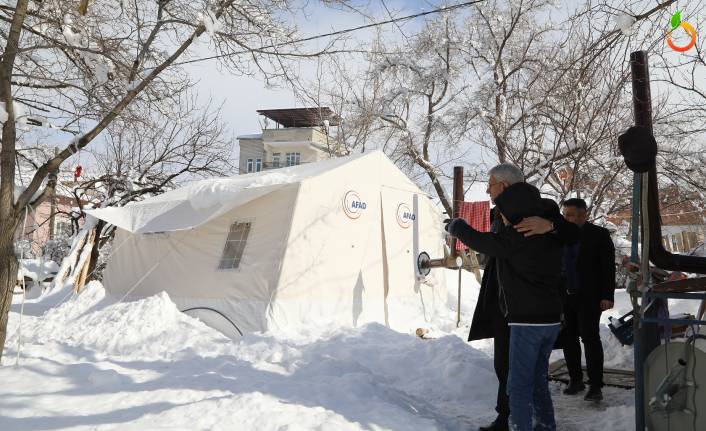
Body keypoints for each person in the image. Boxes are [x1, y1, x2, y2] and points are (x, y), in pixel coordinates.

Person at [466, 164, 579, 431]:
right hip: (505, 299)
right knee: (505, 364)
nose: (487, 189)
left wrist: (550, 225)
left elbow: (574, 234)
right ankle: (507, 417)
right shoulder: (499, 212)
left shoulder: (542, 209)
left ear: (504, 185)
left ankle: (515, 421)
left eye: (490, 184)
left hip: (529, 306)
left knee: (520, 376)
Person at [447, 182, 563, 431]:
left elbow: (482, 242)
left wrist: (457, 226)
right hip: (551, 320)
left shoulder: (519, 235)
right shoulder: (549, 234)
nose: (499, 215)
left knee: (518, 384)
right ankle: (546, 426)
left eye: (502, 211)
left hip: (527, 322)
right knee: (537, 379)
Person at [559, 198, 616, 402]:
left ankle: (595, 386)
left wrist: (607, 295)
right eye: (564, 214)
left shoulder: (598, 235)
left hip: (589, 296)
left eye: (570, 215)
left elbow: (608, 267)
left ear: (584, 215)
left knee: (590, 338)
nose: (566, 218)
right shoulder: (559, 234)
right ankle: (575, 380)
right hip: (566, 295)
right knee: (568, 338)